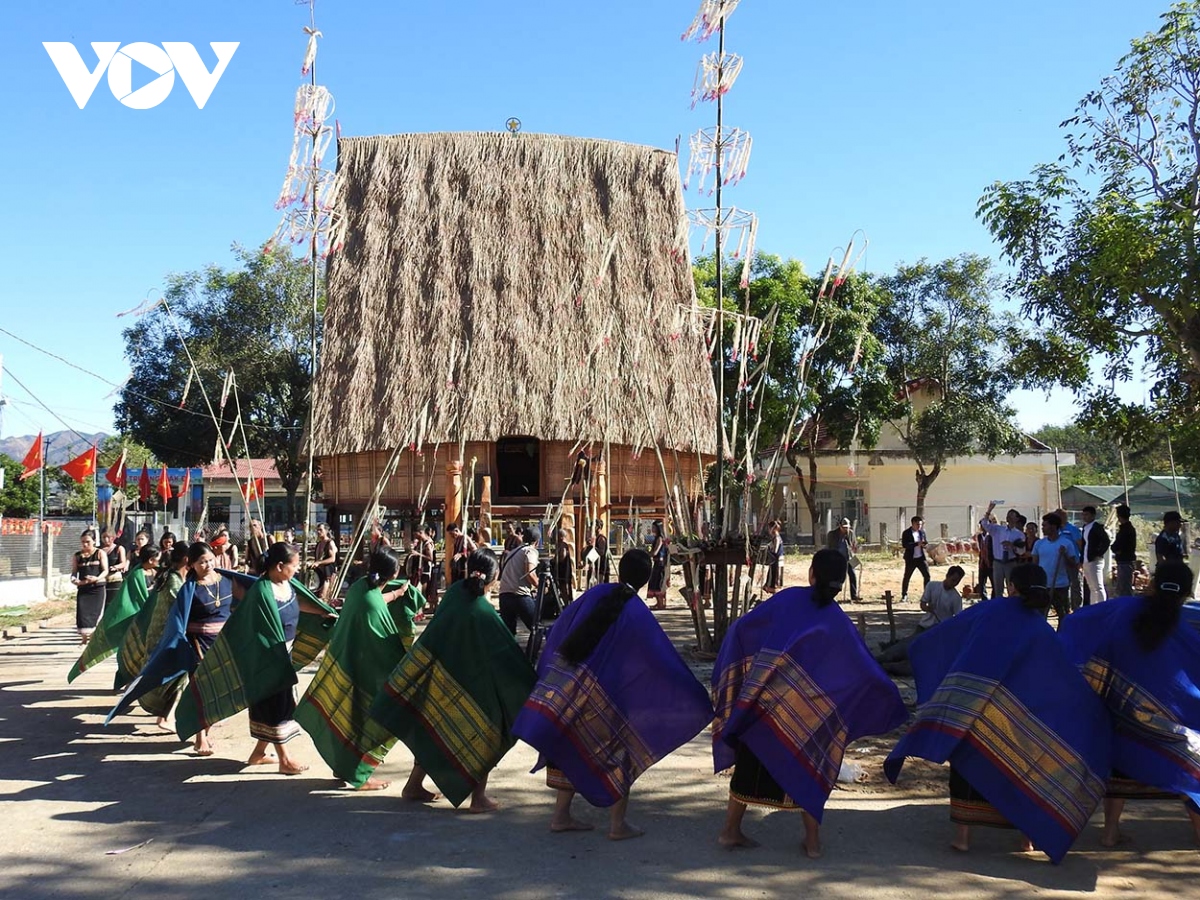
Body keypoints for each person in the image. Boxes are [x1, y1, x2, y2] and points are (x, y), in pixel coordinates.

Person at [884, 564, 1111, 863]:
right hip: (1019, 718)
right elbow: (1060, 678)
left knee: (966, 760)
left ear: (1012, 586)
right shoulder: (1041, 628)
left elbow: (943, 637)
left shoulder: (989, 611)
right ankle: (1027, 838)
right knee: (1026, 768)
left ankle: (963, 838)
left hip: (976, 709)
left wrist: (922, 654)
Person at [714, 549, 906, 858]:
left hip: (766, 706)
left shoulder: (787, 600)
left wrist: (744, 668)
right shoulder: (839, 623)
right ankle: (813, 843)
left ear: (811, 574)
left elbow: (742, 628)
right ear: (840, 583)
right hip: (809, 716)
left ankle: (730, 831)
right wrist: (890, 700)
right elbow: (865, 670)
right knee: (810, 772)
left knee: (749, 768)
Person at [513, 549, 713, 840]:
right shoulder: (637, 612)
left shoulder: (596, 594)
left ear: (621, 571)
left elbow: (559, 629)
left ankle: (561, 815)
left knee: (570, 742)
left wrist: (552, 670)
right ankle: (617, 825)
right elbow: (660, 659)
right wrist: (693, 694)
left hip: (572, 686)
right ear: (646, 579)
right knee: (621, 753)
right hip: (611, 696)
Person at [370, 548, 538, 811]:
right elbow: (504, 652)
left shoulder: (456, 592)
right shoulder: (481, 611)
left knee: (431, 728)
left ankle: (414, 785)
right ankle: (478, 798)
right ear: (494, 577)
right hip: (469, 682)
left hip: (438, 675)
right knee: (490, 731)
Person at [1058, 560, 1200, 848]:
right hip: (1170, 729)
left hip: (1119, 715)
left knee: (1119, 759)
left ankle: (1110, 832)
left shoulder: (1120, 609)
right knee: (1194, 765)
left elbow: (1074, 623)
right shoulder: (1188, 632)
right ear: (1186, 593)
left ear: (1152, 584)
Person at [169, 542, 334, 774]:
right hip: (266, 661)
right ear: (279, 566)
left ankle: (258, 753)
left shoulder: (286, 584)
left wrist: (323, 611)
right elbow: (260, 632)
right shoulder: (262, 592)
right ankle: (285, 760)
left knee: (277, 707)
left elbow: (298, 602)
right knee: (276, 707)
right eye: (294, 565)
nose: (298, 569)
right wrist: (276, 662)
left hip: (282, 655)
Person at [296, 547, 421, 791]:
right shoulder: (372, 604)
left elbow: (376, 599)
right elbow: (388, 646)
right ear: (395, 573)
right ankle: (358, 776)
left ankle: (342, 766)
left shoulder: (359, 587)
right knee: (371, 722)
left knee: (349, 720)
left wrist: (396, 594)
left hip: (346, 663)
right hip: (363, 673)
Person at [69, 545, 157, 683]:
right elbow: (137, 598)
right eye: (158, 558)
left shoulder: (155, 572)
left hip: (151, 619)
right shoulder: (136, 575)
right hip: (138, 619)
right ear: (151, 559)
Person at [875, 567, 966, 674]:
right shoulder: (932, 586)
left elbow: (958, 618)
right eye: (953, 580)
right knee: (903, 649)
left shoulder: (956, 598)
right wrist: (928, 608)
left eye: (957, 582)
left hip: (939, 632)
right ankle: (879, 659)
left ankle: (887, 667)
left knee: (917, 659)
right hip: (924, 626)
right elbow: (923, 604)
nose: (954, 584)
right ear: (947, 576)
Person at [1032, 513, 1079, 626]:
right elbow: (1035, 565)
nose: (1042, 528)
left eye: (1045, 525)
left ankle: (1061, 634)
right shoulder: (1039, 544)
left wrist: (1065, 555)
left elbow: (1073, 565)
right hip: (1043, 586)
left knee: (1063, 615)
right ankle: (1043, 634)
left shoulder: (1066, 543)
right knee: (1040, 615)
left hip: (1061, 585)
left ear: (1053, 527)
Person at [979, 502, 1027, 598]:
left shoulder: (1019, 534)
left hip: (1011, 562)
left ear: (1017, 519)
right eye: (1008, 515)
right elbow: (984, 524)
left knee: (1012, 588)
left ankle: (1011, 605)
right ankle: (999, 605)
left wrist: (1012, 546)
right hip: (998, 562)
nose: (1009, 517)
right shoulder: (998, 529)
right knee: (997, 589)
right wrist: (989, 510)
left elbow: (1022, 551)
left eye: (1012, 515)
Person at [498, 527, 540, 634]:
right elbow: (530, 574)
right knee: (536, 628)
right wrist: (541, 586)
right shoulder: (530, 551)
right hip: (519, 595)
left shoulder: (513, 552)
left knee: (508, 633)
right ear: (537, 542)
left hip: (504, 595)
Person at [71, 530, 109, 644]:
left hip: (97, 588)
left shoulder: (100, 553)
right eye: (83, 542)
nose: (85, 544)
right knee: (82, 613)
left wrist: (96, 578)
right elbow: (74, 572)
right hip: (83, 588)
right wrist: (74, 580)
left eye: (88, 541)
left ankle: (93, 639)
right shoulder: (77, 556)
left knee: (95, 613)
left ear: (94, 541)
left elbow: (105, 570)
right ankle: (84, 639)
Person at [1079, 505, 1110, 605]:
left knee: (1098, 586)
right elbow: (1084, 544)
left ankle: (1102, 605)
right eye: (1083, 515)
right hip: (1086, 559)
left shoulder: (1097, 527)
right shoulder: (1085, 527)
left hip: (1095, 560)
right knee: (1091, 586)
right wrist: (1081, 560)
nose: (1084, 517)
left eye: (1087, 515)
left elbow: (1106, 541)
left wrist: (1098, 553)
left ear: (1093, 515)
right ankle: (1093, 605)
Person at [1056, 508, 1085, 611]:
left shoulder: (1072, 529)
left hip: (1073, 561)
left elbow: (1080, 544)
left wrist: (1081, 560)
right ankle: (1065, 607)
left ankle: (1077, 608)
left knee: (1075, 584)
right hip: (1060, 563)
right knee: (1064, 585)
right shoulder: (1057, 530)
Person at [826, 518, 860, 602]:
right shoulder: (832, 534)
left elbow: (854, 544)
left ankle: (854, 596)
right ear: (840, 526)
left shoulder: (851, 533)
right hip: (838, 559)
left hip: (850, 557)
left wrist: (855, 549)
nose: (845, 529)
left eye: (847, 527)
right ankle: (831, 595)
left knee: (853, 575)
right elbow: (829, 547)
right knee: (837, 578)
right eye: (844, 527)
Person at [900, 516, 930, 603]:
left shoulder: (922, 532)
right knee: (907, 576)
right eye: (917, 524)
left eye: (920, 524)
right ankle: (904, 595)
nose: (919, 526)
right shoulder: (906, 533)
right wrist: (916, 544)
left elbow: (925, 542)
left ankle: (926, 595)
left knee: (927, 575)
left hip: (921, 558)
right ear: (913, 523)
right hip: (911, 559)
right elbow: (905, 545)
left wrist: (924, 545)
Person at [99, 528, 128, 614]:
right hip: (102, 579)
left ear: (113, 537)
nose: (106, 539)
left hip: (114, 579)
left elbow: (123, 563)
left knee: (113, 602)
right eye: (104, 537)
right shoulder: (99, 550)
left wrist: (115, 567)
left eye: (108, 537)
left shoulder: (119, 548)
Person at [1111, 505, 1137, 597]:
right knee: (1123, 586)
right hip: (1125, 560)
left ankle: (1127, 603)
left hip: (1125, 560)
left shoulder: (1126, 530)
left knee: (1124, 587)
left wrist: (1115, 549)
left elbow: (1119, 545)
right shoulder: (1128, 529)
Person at [309, 522, 338, 600]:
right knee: (316, 596)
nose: (318, 532)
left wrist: (319, 562)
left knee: (323, 596)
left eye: (320, 530)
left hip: (327, 574)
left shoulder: (330, 543)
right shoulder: (318, 544)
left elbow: (332, 558)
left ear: (326, 531)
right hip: (319, 574)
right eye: (317, 530)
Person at [647, 521, 669, 610]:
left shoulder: (659, 539)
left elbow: (655, 552)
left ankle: (661, 603)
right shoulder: (656, 538)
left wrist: (647, 554)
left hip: (660, 564)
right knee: (654, 582)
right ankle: (658, 603)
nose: (652, 529)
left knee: (658, 582)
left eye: (654, 527)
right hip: (657, 563)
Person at [762, 520, 784, 595]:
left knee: (774, 577)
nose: (769, 530)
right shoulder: (774, 537)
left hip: (776, 560)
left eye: (769, 528)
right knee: (773, 576)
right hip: (775, 560)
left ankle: (773, 590)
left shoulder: (776, 538)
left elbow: (775, 550)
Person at [975, 518, 994, 602]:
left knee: (994, 583)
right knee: (982, 582)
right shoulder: (979, 536)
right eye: (982, 525)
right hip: (982, 563)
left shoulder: (992, 536)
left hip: (991, 563)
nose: (983, 527)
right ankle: (984, 599)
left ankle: (993, 600)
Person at [554, 528, 575, 602]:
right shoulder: (559, 544)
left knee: (564, 587)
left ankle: (566, 603)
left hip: (563, 569)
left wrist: (555, 560)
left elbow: (563, 556)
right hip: (561, 569)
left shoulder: (563, 545)